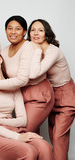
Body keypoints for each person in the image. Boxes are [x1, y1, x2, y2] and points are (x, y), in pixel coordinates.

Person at [0, 15, 54, 133]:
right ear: (5, 30)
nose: (13, 32)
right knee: (28, 133)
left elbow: (22, 80)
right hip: (19, 93)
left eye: (17, 28)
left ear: (24, 32)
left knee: (24, 131)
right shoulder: (4, 51)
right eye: (10, 28)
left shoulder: (28, 47)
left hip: (38, 94)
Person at [0, 48, 53, 160]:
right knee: (29, 151)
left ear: (0, 59)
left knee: (45, 147)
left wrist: (0, 120)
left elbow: (23, 120)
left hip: (11, 130)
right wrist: (18, 137)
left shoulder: (12, 86)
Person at [27, 19, 75, 160]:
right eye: (33, 30)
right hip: (50, 95)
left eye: (40, 30)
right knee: (54, 136)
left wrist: (35, 49)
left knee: (59, 137)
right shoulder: (32, 49)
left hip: (66, 94)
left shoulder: (53, 51)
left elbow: (35, 73)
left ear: (47, 33)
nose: (36, 33)